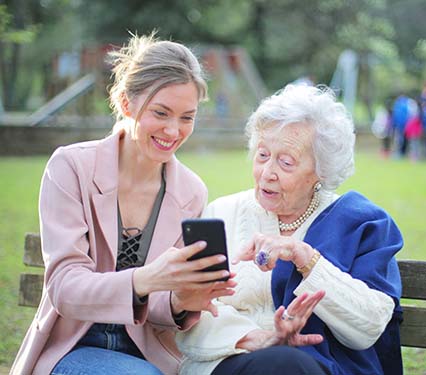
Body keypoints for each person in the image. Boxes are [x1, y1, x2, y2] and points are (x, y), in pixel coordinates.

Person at [10, 33, 236, 375]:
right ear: (125, 102)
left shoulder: (191, 190)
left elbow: (160, 303)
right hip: (73, 347)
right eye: (161, 112)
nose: (173, 131)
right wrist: (144, 279)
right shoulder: (71, 167)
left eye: (187, 117)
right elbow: (64, 287)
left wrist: (179, 301)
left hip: (151, 355)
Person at [176, 85, 404, 375]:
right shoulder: (222, 213)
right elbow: (190, 311)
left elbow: (369, 326)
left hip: (319, 368)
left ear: (321, 171)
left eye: (285, 162)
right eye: (262, 155)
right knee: (284, 364)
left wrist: (306, 258)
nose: (267, 172)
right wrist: (256, 338)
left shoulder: (361, 223)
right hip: (227, 362)